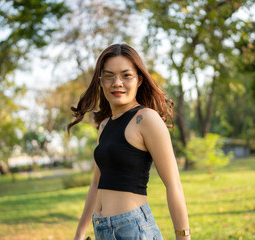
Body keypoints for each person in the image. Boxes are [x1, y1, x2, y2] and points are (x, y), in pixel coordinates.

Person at [68, 43, 190, 240]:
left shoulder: (146, 119)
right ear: (100, 81)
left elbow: (173, 184)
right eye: (109, 76)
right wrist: (80, 233)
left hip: (133, 230)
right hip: (101, 230)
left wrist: (183, 237)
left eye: (126, 75)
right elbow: (96, 183)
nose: (117, 83)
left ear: (139, 80)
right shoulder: (104, 125)